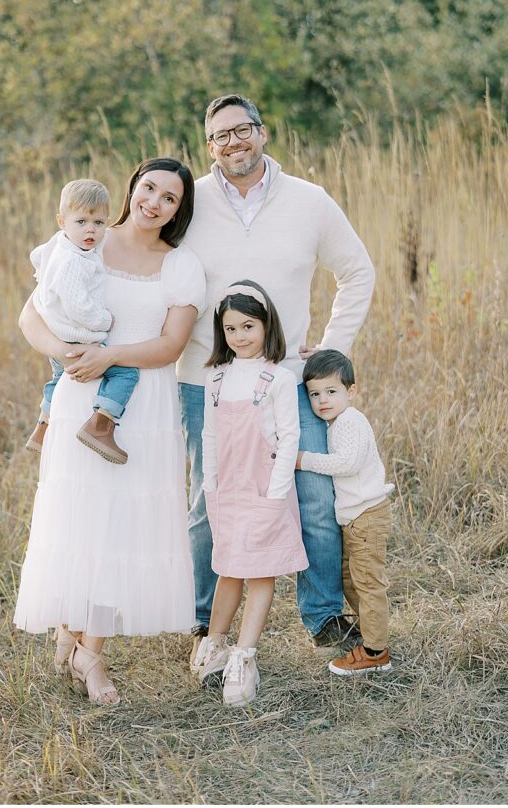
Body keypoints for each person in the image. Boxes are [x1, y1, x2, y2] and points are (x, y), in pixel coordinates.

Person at [178, 93, 375, 654]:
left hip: (288, 382)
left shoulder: (309, 202)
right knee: (207, 502)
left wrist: (327, 356)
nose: (233, 142)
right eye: (220, 135)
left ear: (263, 133)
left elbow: (357, 273)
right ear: (208, 145)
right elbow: (150, 264)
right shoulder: (190, 203)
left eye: (243, 130)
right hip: (206, 381)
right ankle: (204, 621)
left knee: (312, 495)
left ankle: (321, 614)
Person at [14, 157, 206, 705]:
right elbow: (32, 316)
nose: (154, 202)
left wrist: (109, 356)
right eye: (149, 188)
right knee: (79, 520)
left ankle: (89, 654)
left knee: (119, 527)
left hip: (141, 411)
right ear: (133, 188)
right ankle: (70, 634)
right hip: (81, 398)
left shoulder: (181, 265)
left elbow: (170, 347)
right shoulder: (87, 235)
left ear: (178, 209)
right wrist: (69, 355)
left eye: (169, 197)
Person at [192, 280, 307, 707]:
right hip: (226, 490)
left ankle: (245, 657)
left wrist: (275, 497)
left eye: (248, 327)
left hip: (264, 490)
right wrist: (209, 485)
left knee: (260, 571)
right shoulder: (216, 378)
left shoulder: (277, 378)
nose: (240, 337)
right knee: (228, 568)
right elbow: (209, 435)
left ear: (266, 326)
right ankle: (215, 644)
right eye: (231, 329)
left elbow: (289, 439)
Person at [25, 177, 139, 465]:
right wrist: (104, 320)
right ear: (62, 221)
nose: (91, 229)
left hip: (57, 332)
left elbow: (37, 255)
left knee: (57, 378)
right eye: (82, 222)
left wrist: (45, 275)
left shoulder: (59, 244)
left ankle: (43, 427)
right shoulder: (75, 262)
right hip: (77, 336)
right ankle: (101, 424)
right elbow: (79, 307)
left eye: (99, 223)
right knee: (126, 374)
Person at [298, 350, 394, 675]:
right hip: (354, 518)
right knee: (352, 580)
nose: (322, 400)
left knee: (368, 583)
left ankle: (376, 653)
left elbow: (347, 463)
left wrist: (304, 460)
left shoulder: (351, 420)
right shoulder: (334, 422)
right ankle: (371, 636)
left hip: (367, 515)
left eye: (331, 391)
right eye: (314, 394)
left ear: (351, 392)